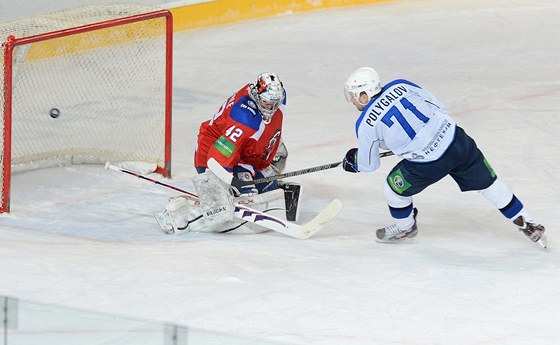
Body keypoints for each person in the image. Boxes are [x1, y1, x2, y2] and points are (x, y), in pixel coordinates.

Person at [341, 67, 547, 248]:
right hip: (458, 142)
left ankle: (406, 228)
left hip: (427, 165)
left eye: (353, 96)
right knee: (489, 185)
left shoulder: (365, 124)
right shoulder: (400, 85)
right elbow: (438, 107)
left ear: (365, 95)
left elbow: (369, 164)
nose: (352, 101)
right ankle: (528, 224)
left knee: (392, 190)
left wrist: (353, 161)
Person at [155, 72, 297, 235]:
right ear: (257, 97)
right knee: (242, 198)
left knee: (269, 187)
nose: (271, 108)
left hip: (242, 153)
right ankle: (179, 214)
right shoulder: (243, 120)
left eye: (274, 103)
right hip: (213, 153)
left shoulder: (271, 96)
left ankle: (234, 193)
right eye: (266, 103)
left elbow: (262, 128)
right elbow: (217, 159)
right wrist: (233, 183)